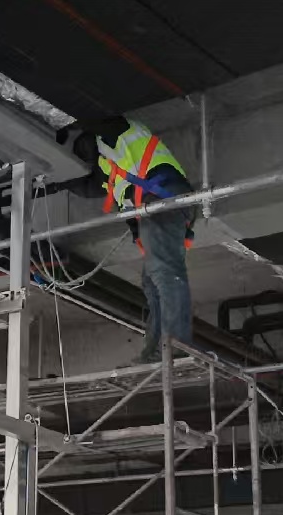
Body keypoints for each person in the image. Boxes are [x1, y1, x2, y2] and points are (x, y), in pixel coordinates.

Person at [71, 118, 195, 362]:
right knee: (153, 282)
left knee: (164, 273)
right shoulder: (107, 166)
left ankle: (175, 346)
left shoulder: (117, 131)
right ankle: (156, 350)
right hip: (158, 206)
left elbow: (96, 115)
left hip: (163, 198)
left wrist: (70, 123)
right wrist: (51, 184)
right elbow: (87, 187)